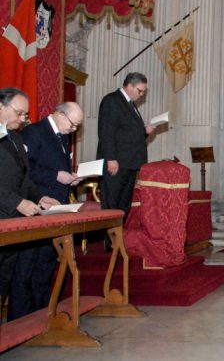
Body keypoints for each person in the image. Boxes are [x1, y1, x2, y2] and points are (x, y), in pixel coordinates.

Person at [8, 102, 84, 320]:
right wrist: (55, 176)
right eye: (72, 124)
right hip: (34, 206)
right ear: (59, 115)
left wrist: (69, 177)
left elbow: (56, 165)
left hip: (55, 207)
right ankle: (21, 320)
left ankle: (43, 315)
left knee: (45, 265)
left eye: (77, 126)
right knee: (26, 267)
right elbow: (25, 169)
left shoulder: (62, 135)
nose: (74, 130)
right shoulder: (35, 132)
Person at [0, 88, 59, 312]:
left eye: (25, 114)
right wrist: (16, 202)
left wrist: (39, 196)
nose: (23, 119)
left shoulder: (15, 136)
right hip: (4, 213)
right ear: (1, 107)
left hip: (14, 224)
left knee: (4, 280)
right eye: (19, 113)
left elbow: (25, 179)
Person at [97, 72, 155, 217]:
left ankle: (118, 238)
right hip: (116, 164)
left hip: (129, 163)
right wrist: (110, 158)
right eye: (139, 91)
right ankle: (109, 239)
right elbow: (106, 132)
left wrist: (144, 131)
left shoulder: (130, 105)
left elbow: (127, 132)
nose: (141, 94)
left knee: (124, 205)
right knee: (112, 204)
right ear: (130, 85)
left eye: (143, 92)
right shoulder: (112, 100)